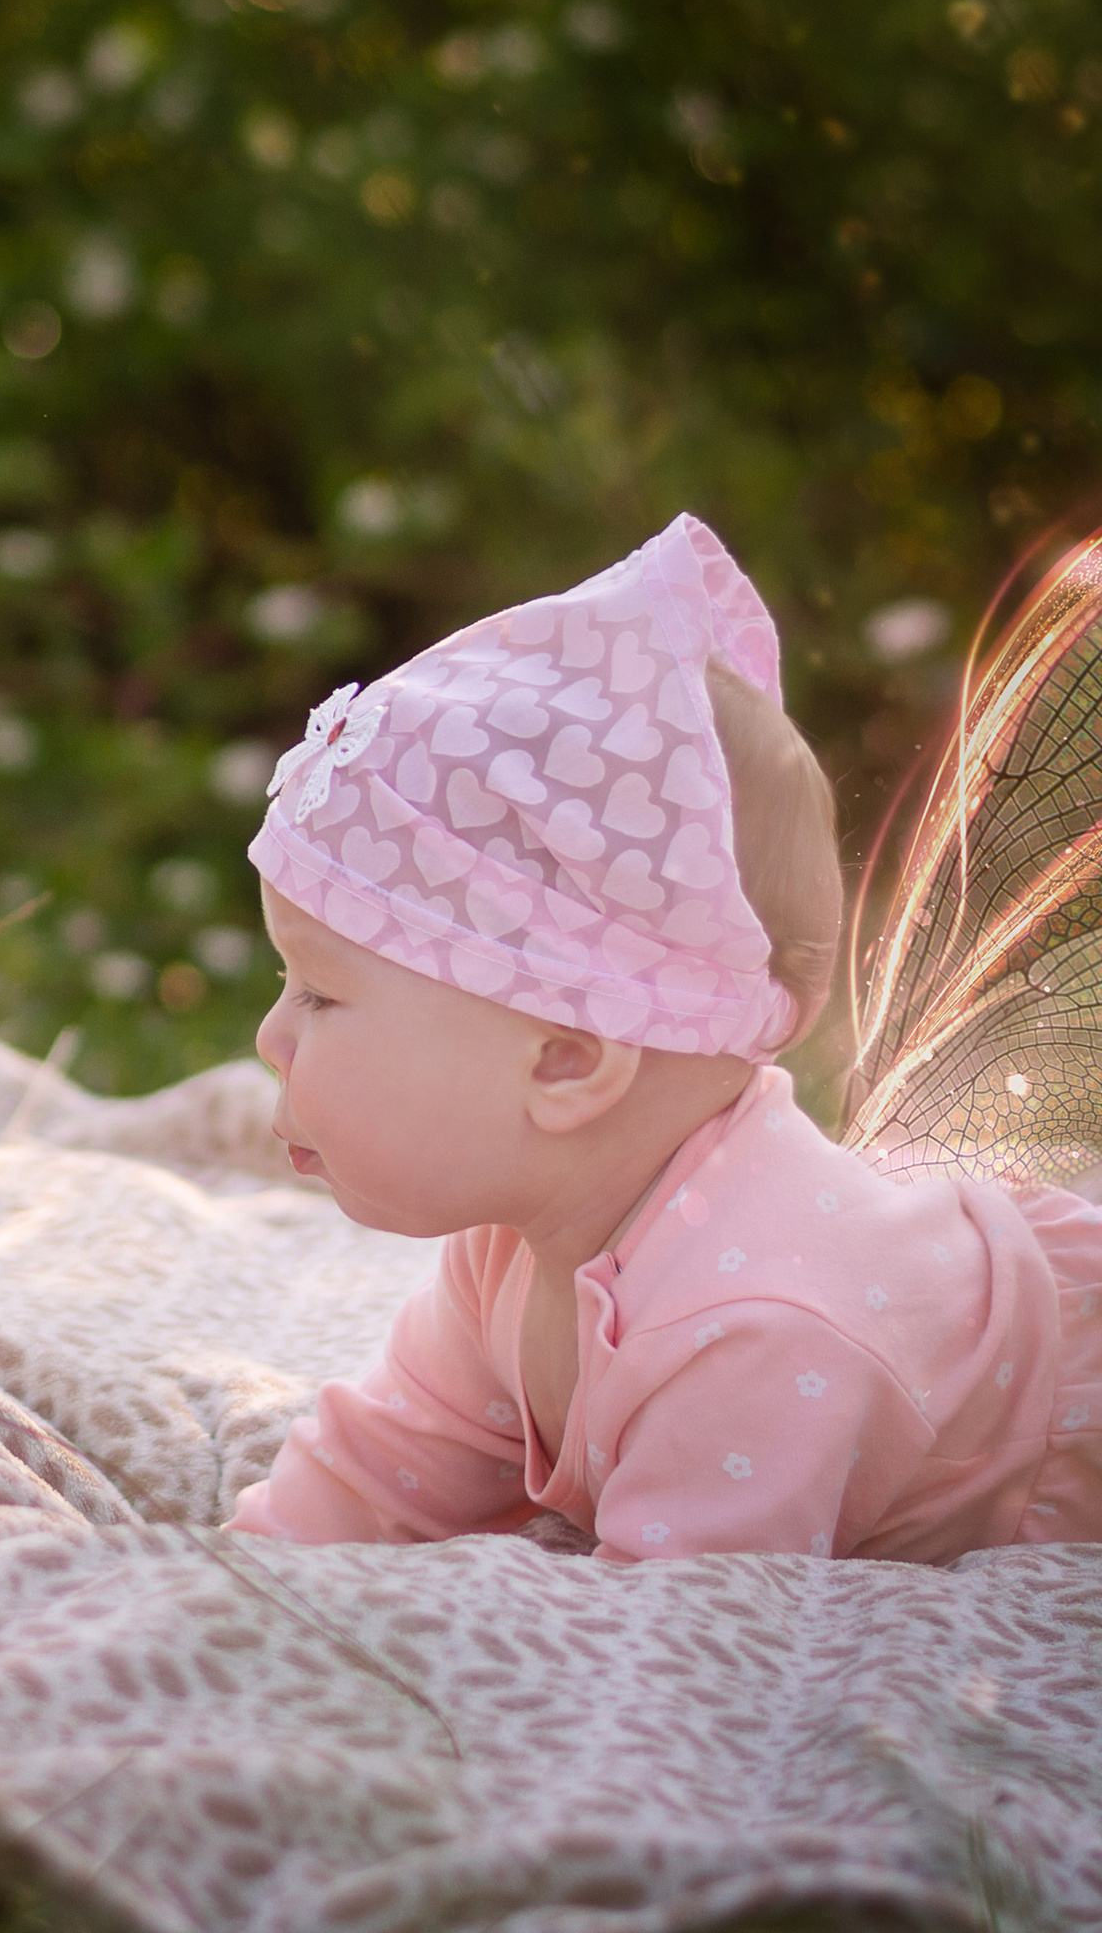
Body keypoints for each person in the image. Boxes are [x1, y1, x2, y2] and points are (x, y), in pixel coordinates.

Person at [224, 514, 1102, 1561]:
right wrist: (228, 1592)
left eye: (318, 994)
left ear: (566, 1060)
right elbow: (380, 1468)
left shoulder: (757, 1329)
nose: (271, 1037)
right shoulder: (508, 1244)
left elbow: (669, 1652)